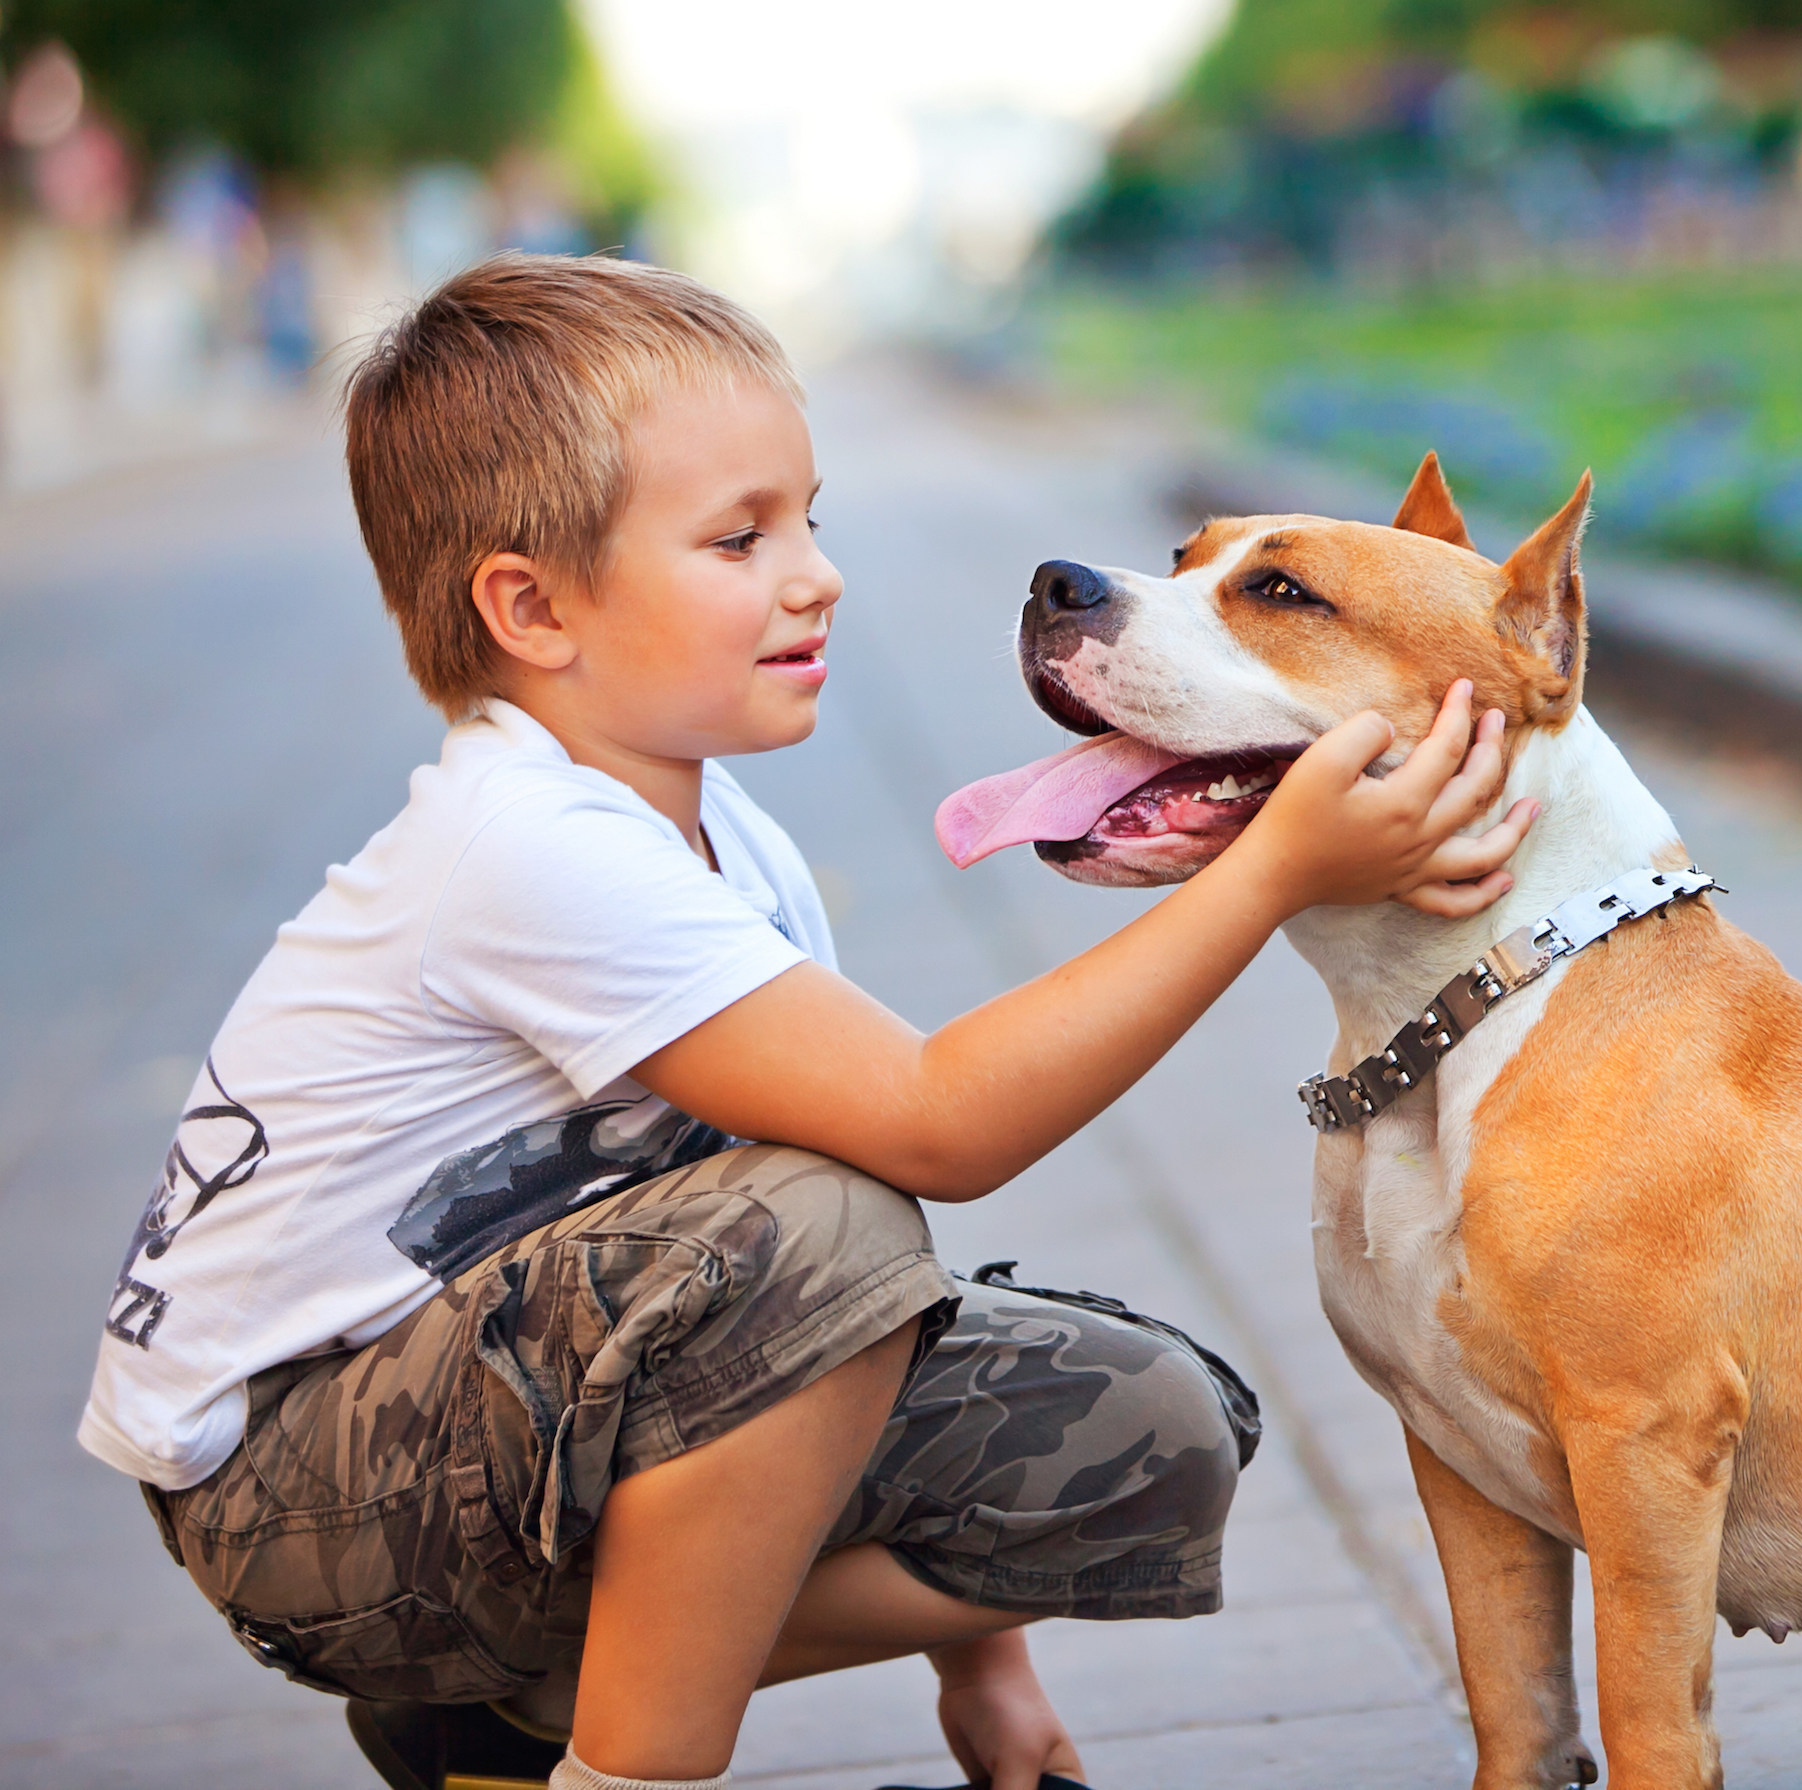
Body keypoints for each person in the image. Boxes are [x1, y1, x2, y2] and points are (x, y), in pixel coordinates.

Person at [75, 253, 1538, 1790]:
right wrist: (1276, 870)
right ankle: (622, 1769)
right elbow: (933, 1125)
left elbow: (852, 1269)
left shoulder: (731, 846)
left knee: (1146, 1435)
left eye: (811, 517)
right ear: (529, 606)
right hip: (298, 1500)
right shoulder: (519, 845)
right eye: (739, 536)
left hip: (513, 1434)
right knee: (824, 1223)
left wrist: (989, 1675)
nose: (815, 572)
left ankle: (498, 1715)